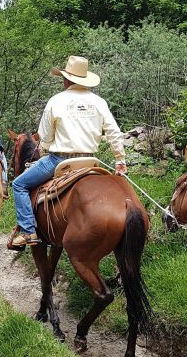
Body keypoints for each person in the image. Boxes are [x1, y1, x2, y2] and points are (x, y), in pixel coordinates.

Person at [9, 56, 126, 248]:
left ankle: (28, 231)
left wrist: (50, 143)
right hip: (91, 161)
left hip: (60, 161)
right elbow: (114, 132)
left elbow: (45, 137)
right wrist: (120, 160)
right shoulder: (99, 102)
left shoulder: (57, 100)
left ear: (66, 79)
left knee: (19, 185)